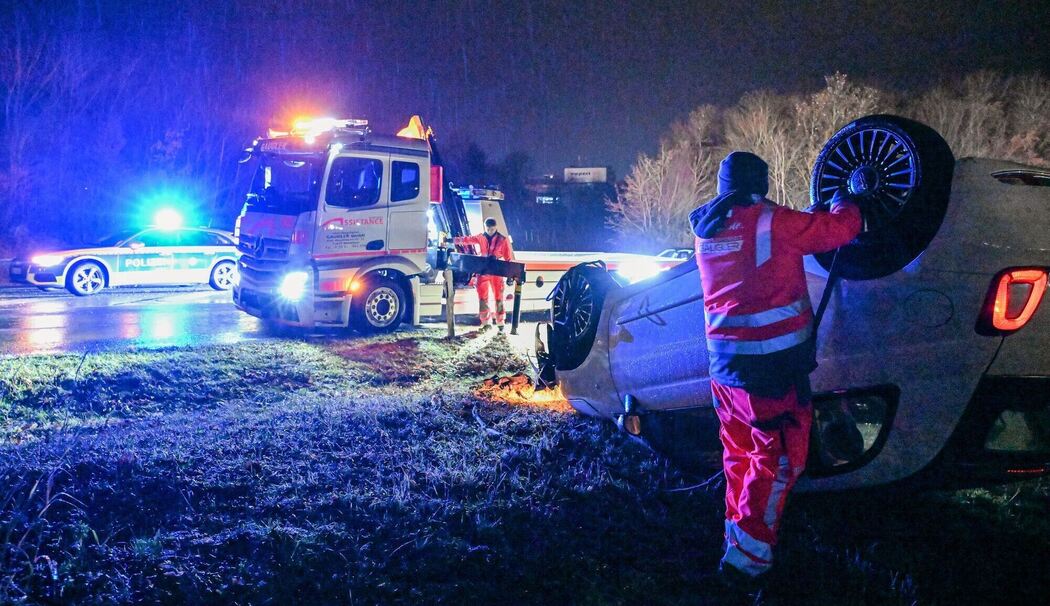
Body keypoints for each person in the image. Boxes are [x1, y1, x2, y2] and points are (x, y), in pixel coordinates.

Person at [690, 151, 861, 584]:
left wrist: (808, 215)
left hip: (725, 371)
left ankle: (737, 539)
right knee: (780, 460)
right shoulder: (774, 221)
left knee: (740, 456)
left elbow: (762, 241)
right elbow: (842, 229)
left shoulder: (708, 227)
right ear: (761, 183)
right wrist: (848, 198)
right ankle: (747, 567)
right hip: (771, 371)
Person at [454, 218, 514, 331]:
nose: (490, 231)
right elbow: (467, 240)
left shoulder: (503, 240)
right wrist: (453, 240)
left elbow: (508, 259)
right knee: (483, 298)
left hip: (496, 272)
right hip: (484, 272)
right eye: (488, 229)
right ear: (485, 227)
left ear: (496, 227)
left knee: (499, 298)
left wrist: (509, 275)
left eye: (492, 229)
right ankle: (486, 322)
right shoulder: (481, 237)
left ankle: (500, 322)